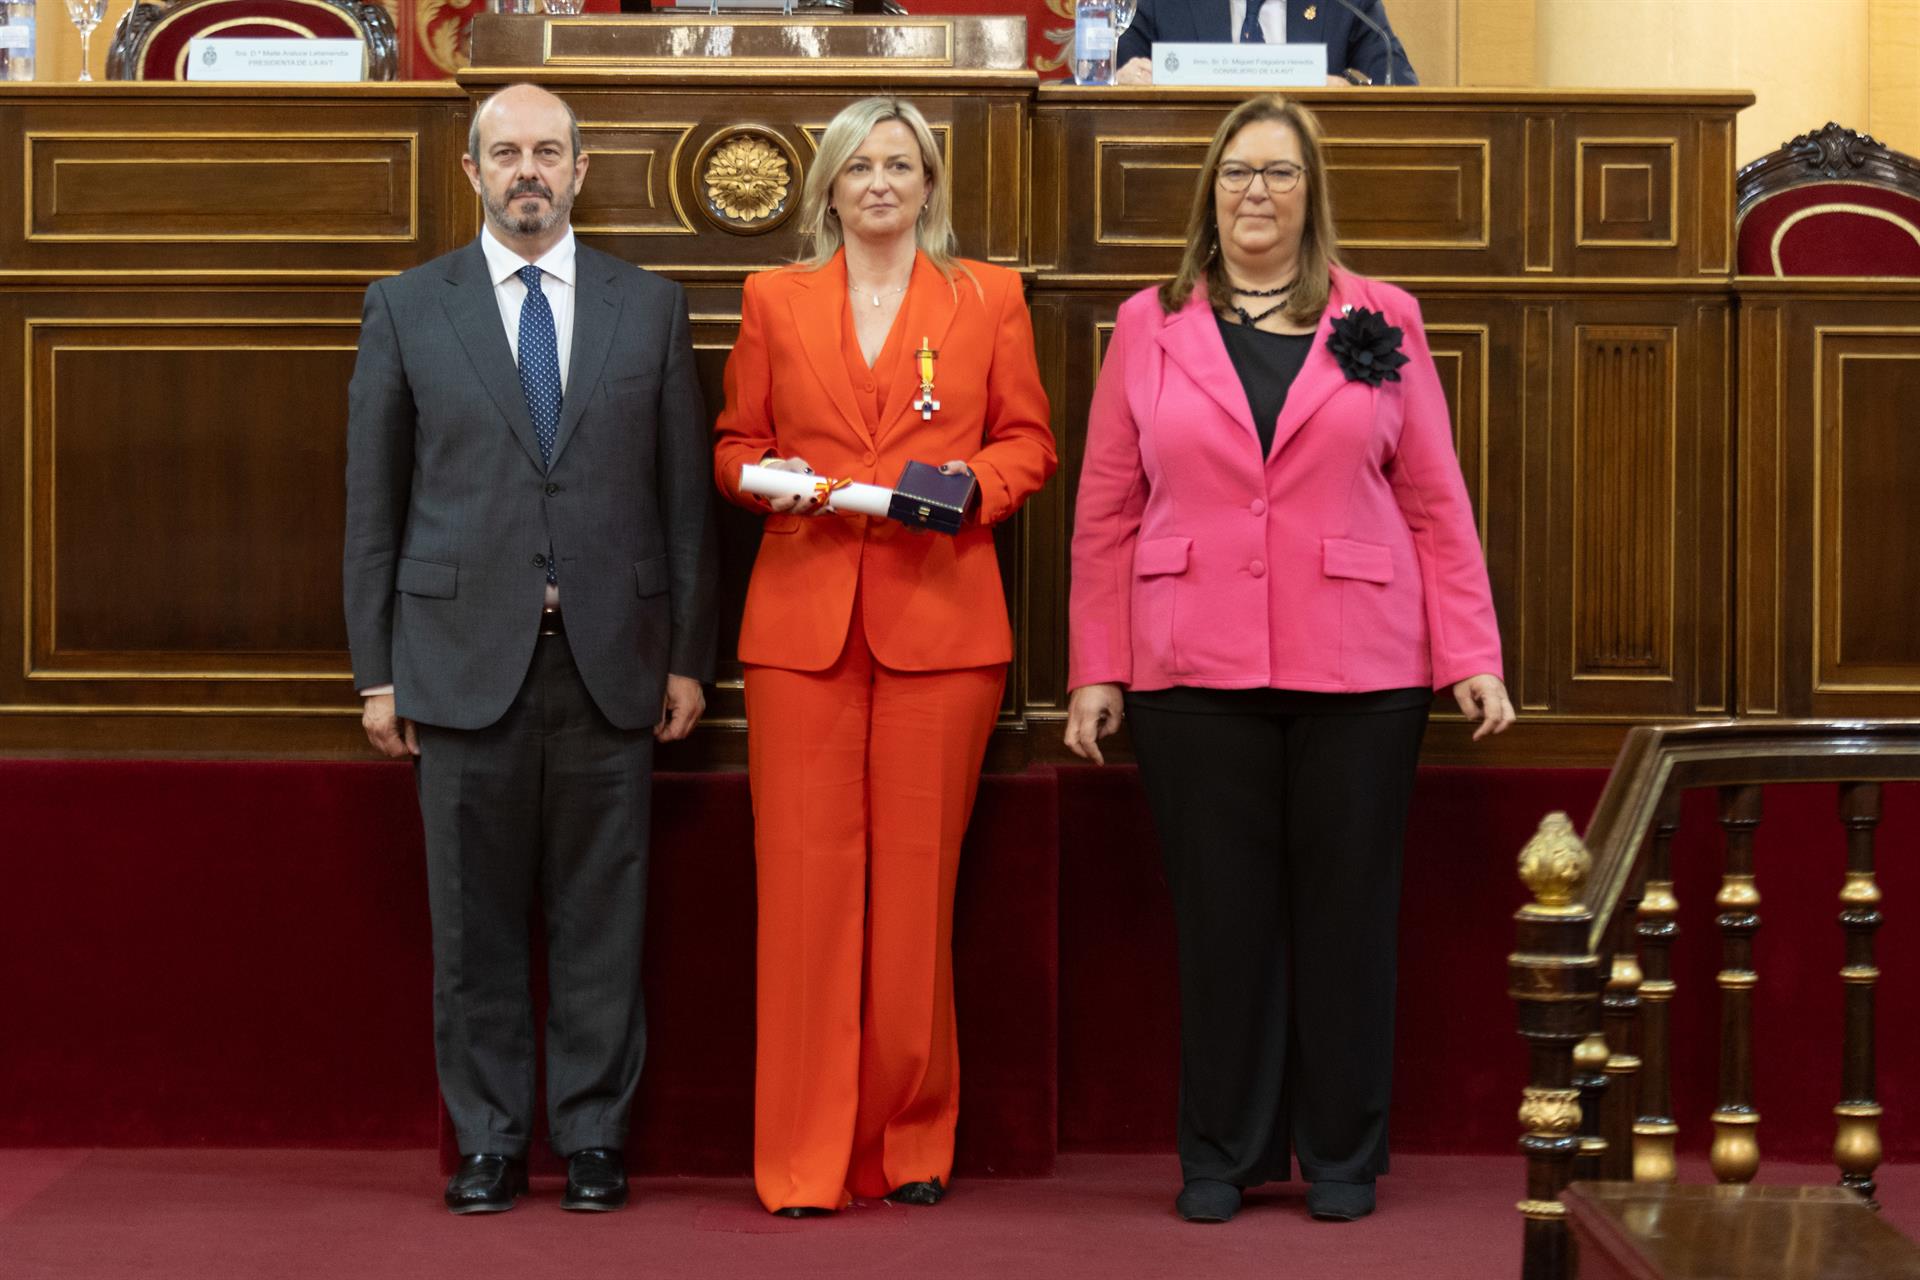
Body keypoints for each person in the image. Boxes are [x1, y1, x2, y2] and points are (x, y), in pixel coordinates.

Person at [1064, 95, 1511, 1226]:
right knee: (1221, 919)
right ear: (1207, 193)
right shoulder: (1147, 322)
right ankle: (1222, 1149)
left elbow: (1434, 498)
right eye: (1235, 173)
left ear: (1312, 192)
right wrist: (1095, 665)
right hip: (1189, 667)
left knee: (1350, 915)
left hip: (1363, 666)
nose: (1254, 192)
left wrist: (1471, 650)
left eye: (1278, 172)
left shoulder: (1383, 314)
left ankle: (1345, 1152)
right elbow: (1107, 508)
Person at [343, 82, 717, 1216]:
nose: (528, 171)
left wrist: (690, 653)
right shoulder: (408, 306)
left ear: (581, 167)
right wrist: (376, 667)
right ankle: (492, 1139)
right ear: (472, 173)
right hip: (457, 662)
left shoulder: (647, 306)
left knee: (604, 915)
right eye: (505, 153)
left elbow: (684, 500)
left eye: (548, 151)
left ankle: (594, 1135)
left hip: (614, 660)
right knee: (473, 921)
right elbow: (375, 501)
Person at [712, 96, 1056, 1217]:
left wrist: (970, 494)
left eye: (899, 165)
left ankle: (910, 1142)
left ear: (927, 184)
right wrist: (763, 477)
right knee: (804, 898)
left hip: (943, 627)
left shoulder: (986, 296)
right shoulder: (775, 296)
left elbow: (1029, 442)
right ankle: (805, 1161)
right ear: (827, 184)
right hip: (802, 626)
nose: (879, 183)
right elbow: (735, 446)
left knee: (916, 898)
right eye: (859, 165)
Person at [1116, 0, 1417, 86]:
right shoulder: (1158, 3)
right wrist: (1120, 82)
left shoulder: (1347, 4)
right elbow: (1094, 90)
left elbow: (1400, 93)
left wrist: (1345, 95)